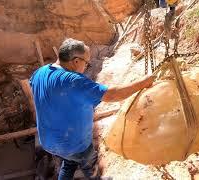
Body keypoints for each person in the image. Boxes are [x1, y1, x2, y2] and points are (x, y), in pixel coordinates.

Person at [30, 38, 155, 180]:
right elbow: (112, 94)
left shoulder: (39, 73)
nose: (86, 67)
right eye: (87, 63)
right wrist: (144, 82)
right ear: (76, 61)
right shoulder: (73, 80)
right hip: (75, 144)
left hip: (48, 141)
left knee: (69, 162)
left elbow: (44, 93)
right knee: (91, 168)